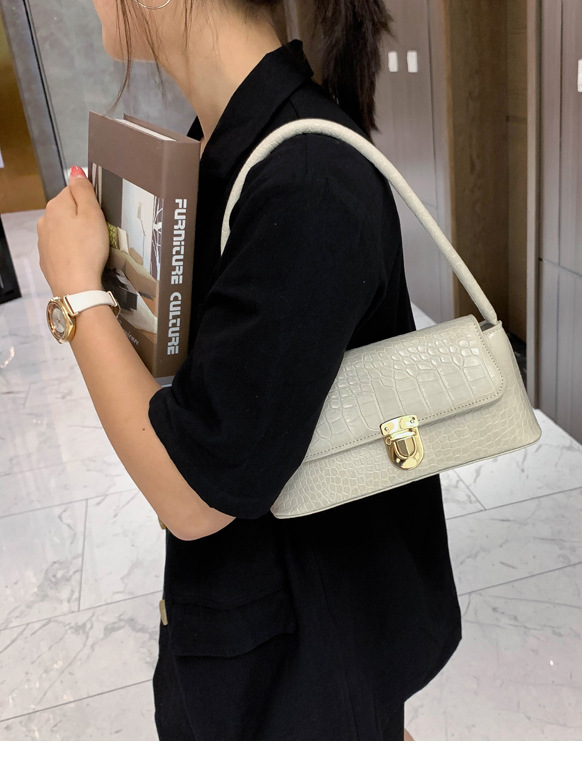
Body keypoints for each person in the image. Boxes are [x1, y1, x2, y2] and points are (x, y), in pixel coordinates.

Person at [36, 0, 462, 740]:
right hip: (264, 623)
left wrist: (78, 295)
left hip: (305, 664)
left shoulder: (305, 181)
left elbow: (195, 495)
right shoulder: (222, 145)